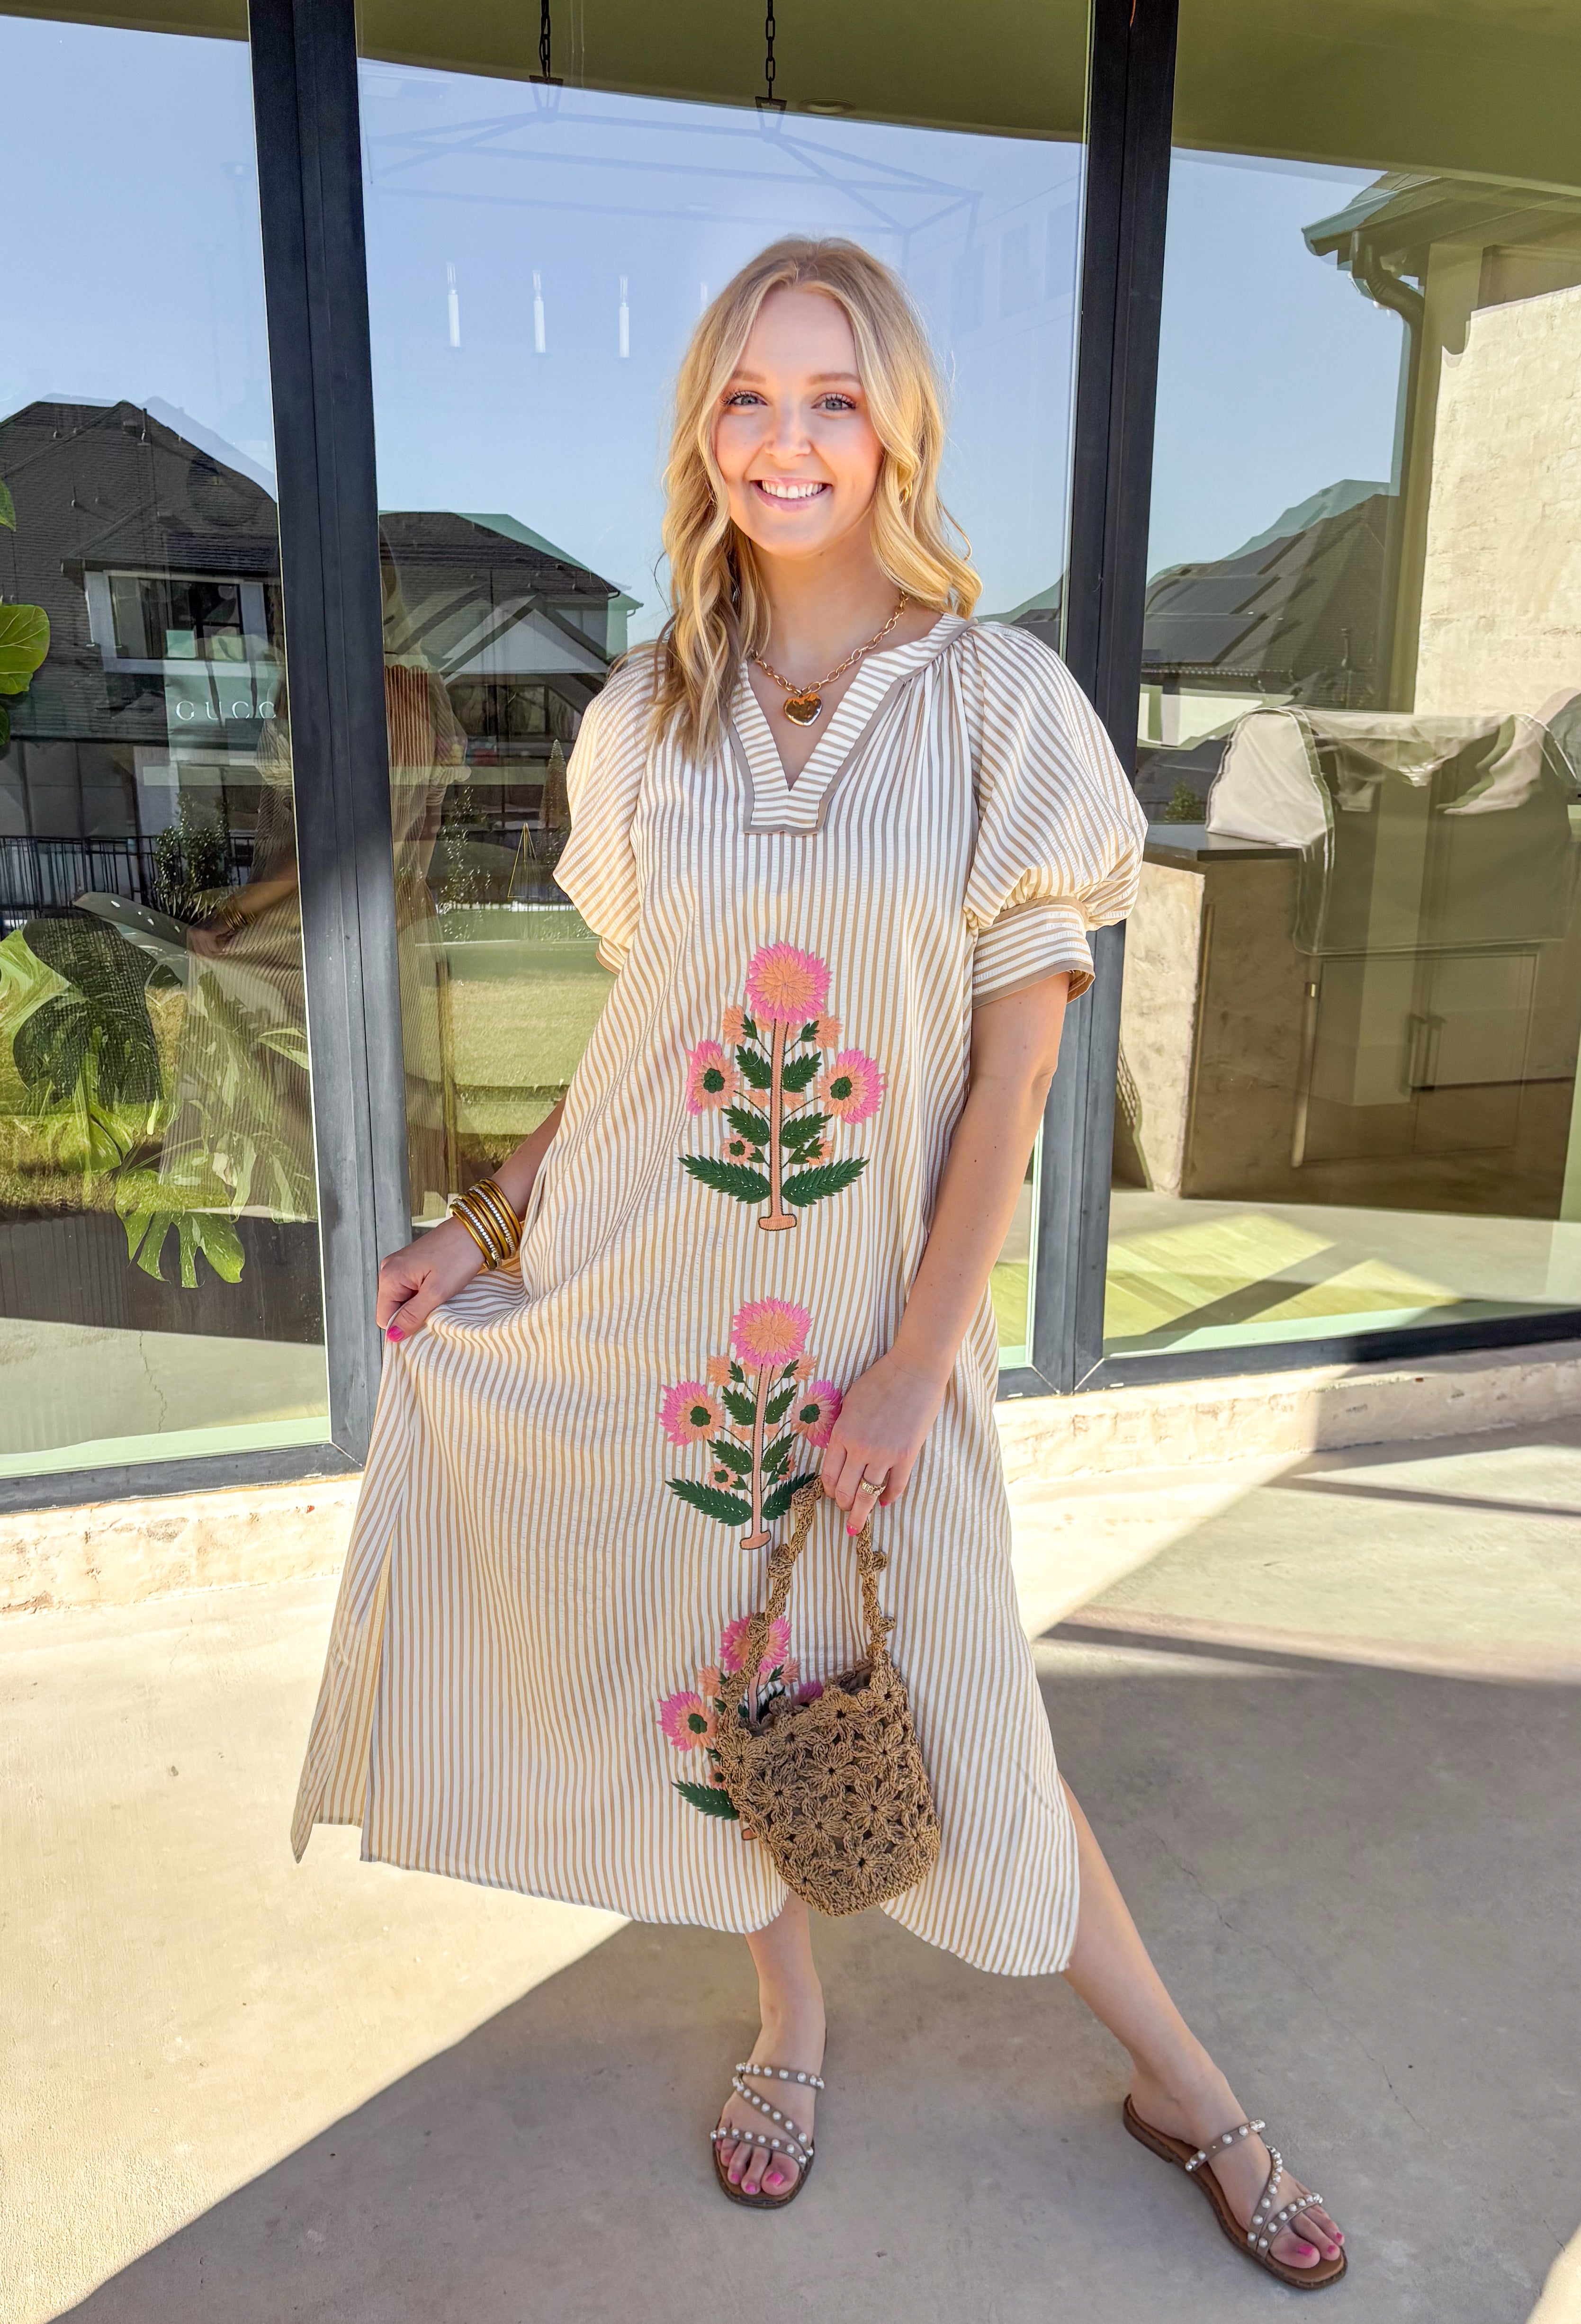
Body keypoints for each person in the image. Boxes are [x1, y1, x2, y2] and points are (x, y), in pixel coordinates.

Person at [291, 237, 1345, 2288]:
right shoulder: (643, 719)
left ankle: (1186, 2087)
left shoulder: (996, 706)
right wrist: (486, 1222)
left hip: (878, 1331)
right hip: (669, 1316)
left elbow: (1018, 1063)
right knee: (732, 1685)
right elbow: (647, 1043)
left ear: (894, 432)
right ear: (706, 429)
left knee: (973, 1721)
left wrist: (917, 1357)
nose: (786, 440)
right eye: (748, 398)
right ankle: (788, 2019)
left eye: (832, 399)